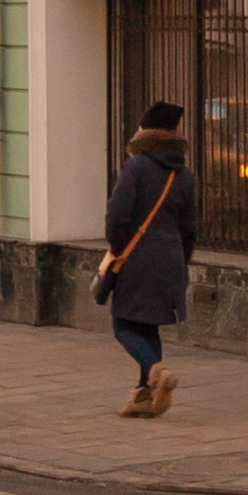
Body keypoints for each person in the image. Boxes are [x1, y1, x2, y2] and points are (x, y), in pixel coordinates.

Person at [103, 100, 198, 417]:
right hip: (171, 256)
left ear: (146, 131)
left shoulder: (136, 167)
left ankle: (156, 372)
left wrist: (117, 248)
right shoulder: (184, 175)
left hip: (137, 256)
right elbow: (190, 227)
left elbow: (117, 215)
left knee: (123, 324)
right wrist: (181, 261)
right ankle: (143, 396)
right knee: (148, 326)